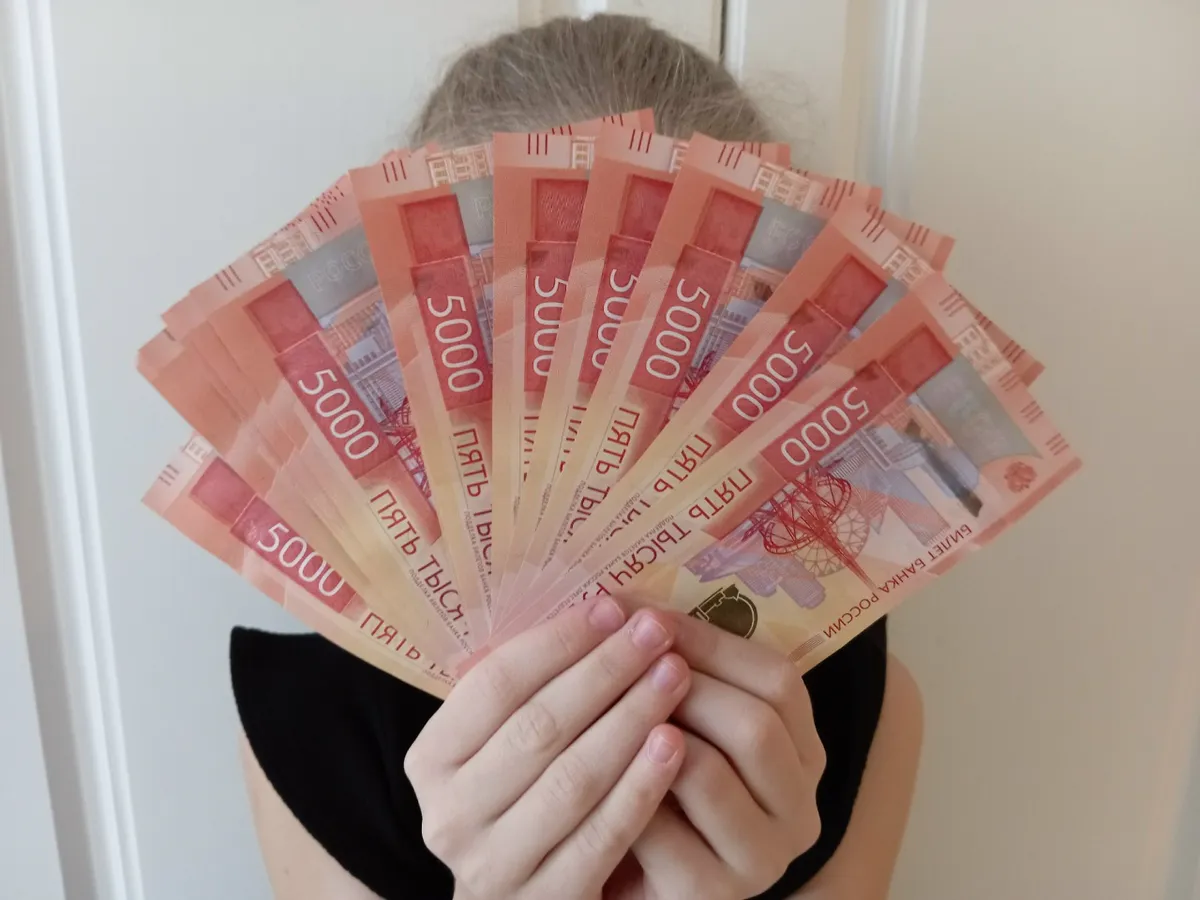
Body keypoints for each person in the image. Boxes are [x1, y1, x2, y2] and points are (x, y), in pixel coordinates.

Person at [232, 14, 923, 900]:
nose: (602, 457)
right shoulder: (309, 726)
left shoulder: (860, 703)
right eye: (521, 369)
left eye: (686, 362)